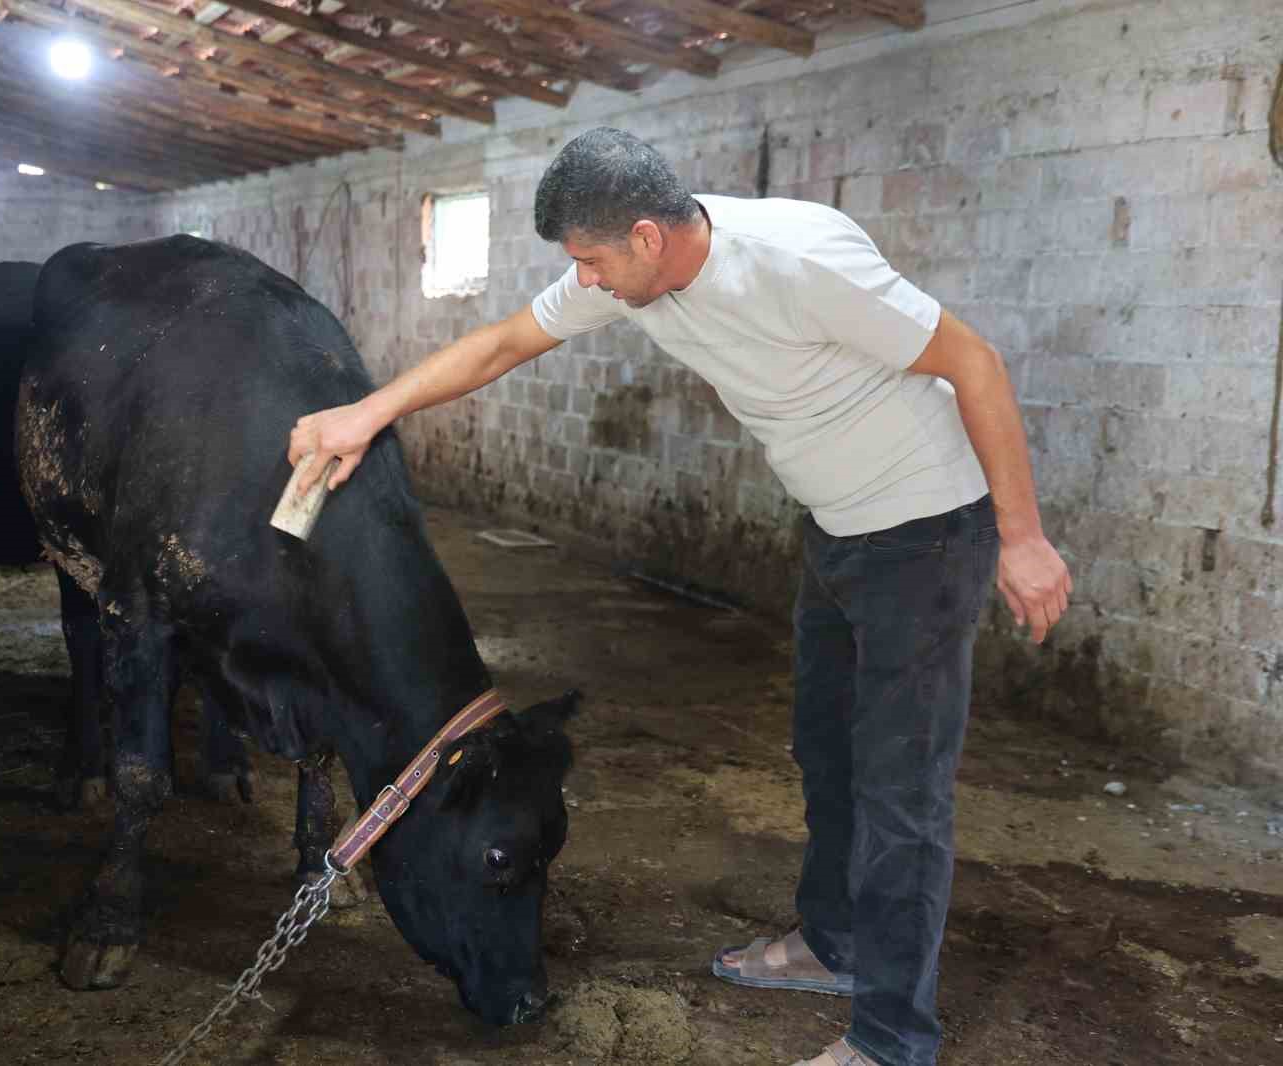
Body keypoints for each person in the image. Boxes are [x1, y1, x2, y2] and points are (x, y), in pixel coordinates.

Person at [286, 127, 1071, 1066]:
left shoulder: (796, 260)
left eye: (593, 261)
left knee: (900, 793)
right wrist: (368, 414)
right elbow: (503, 342)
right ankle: (836, 946)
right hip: (834, 528)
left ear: (648, 237)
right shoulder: (628, 273)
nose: (588, 282)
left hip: (929, 534)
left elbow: (974, 363)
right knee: (825, 753)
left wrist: (1021, 540)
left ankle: (893, 1041)